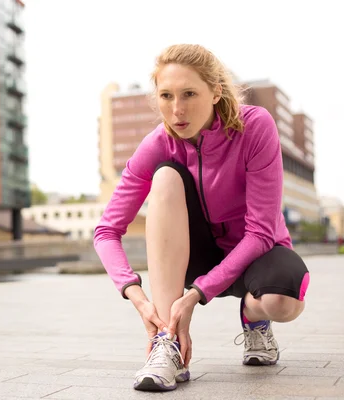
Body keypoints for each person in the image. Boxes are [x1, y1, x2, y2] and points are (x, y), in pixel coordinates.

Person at [93, 43, 310, 392]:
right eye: (166, 95)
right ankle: (168, 342)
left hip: (255, 253)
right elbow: (106, 230)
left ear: (215, 92)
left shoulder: (255, 126)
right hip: (197, 254)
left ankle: (254, 320)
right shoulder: (158, 143)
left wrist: (196, 295)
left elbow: (260, 233)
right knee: (164, 176)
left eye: (189, 94)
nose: (176, 110)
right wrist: (136, 296)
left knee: (282, 302)